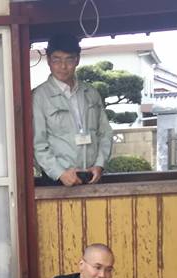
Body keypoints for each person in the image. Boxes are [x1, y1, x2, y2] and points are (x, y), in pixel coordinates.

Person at [32, 33, 113, 187]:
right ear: (48, 60)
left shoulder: (91, 93)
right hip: (56, 180)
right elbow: (38, 144)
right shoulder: (39, 96)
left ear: (77, 60)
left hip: (92, 176)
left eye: (69, 59)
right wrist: (60, 173)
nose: (63, 66)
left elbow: (105, 133)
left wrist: (99, 165)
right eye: (57, 60)